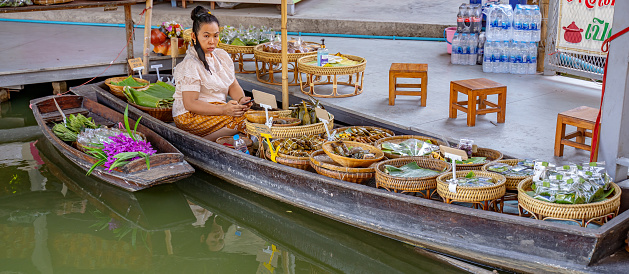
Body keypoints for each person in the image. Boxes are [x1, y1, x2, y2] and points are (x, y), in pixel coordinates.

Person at [173, 6, 253, 141]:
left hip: (217, 108)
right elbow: (190, 104)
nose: (212, 41)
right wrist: (224, 110)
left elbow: (233, 85)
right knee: (246, 122)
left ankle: (226, 138)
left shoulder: (222, 56)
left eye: (215, 36)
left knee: (252, 115)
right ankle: (202, 141)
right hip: (190, 115)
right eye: (206, 36)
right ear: (194, 36)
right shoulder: (191, 64)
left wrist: (241, 101)